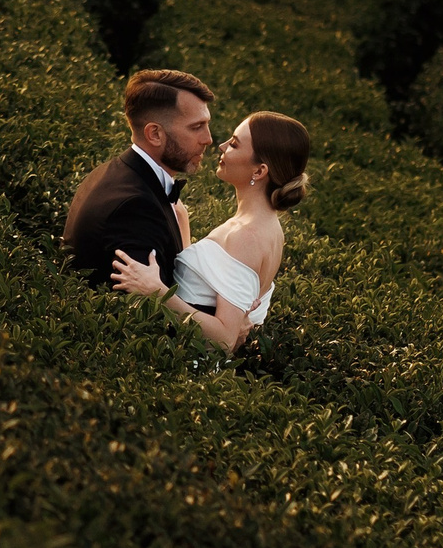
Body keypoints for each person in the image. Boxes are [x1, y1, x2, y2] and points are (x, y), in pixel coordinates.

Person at [111, 110, 310, 354]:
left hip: (185, 369)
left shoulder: (245, 235)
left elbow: (224, 340)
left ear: (259, 172)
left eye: (234, 144)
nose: (222, 146)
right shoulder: (269, 227)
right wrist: (182, 223)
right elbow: (207, 291)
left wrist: (156, 291)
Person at [63, 68, 216, 298]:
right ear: (154, 134)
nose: (208, 139)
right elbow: (150, 316)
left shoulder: (111, 173)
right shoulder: (134, 208)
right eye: (196, 127)